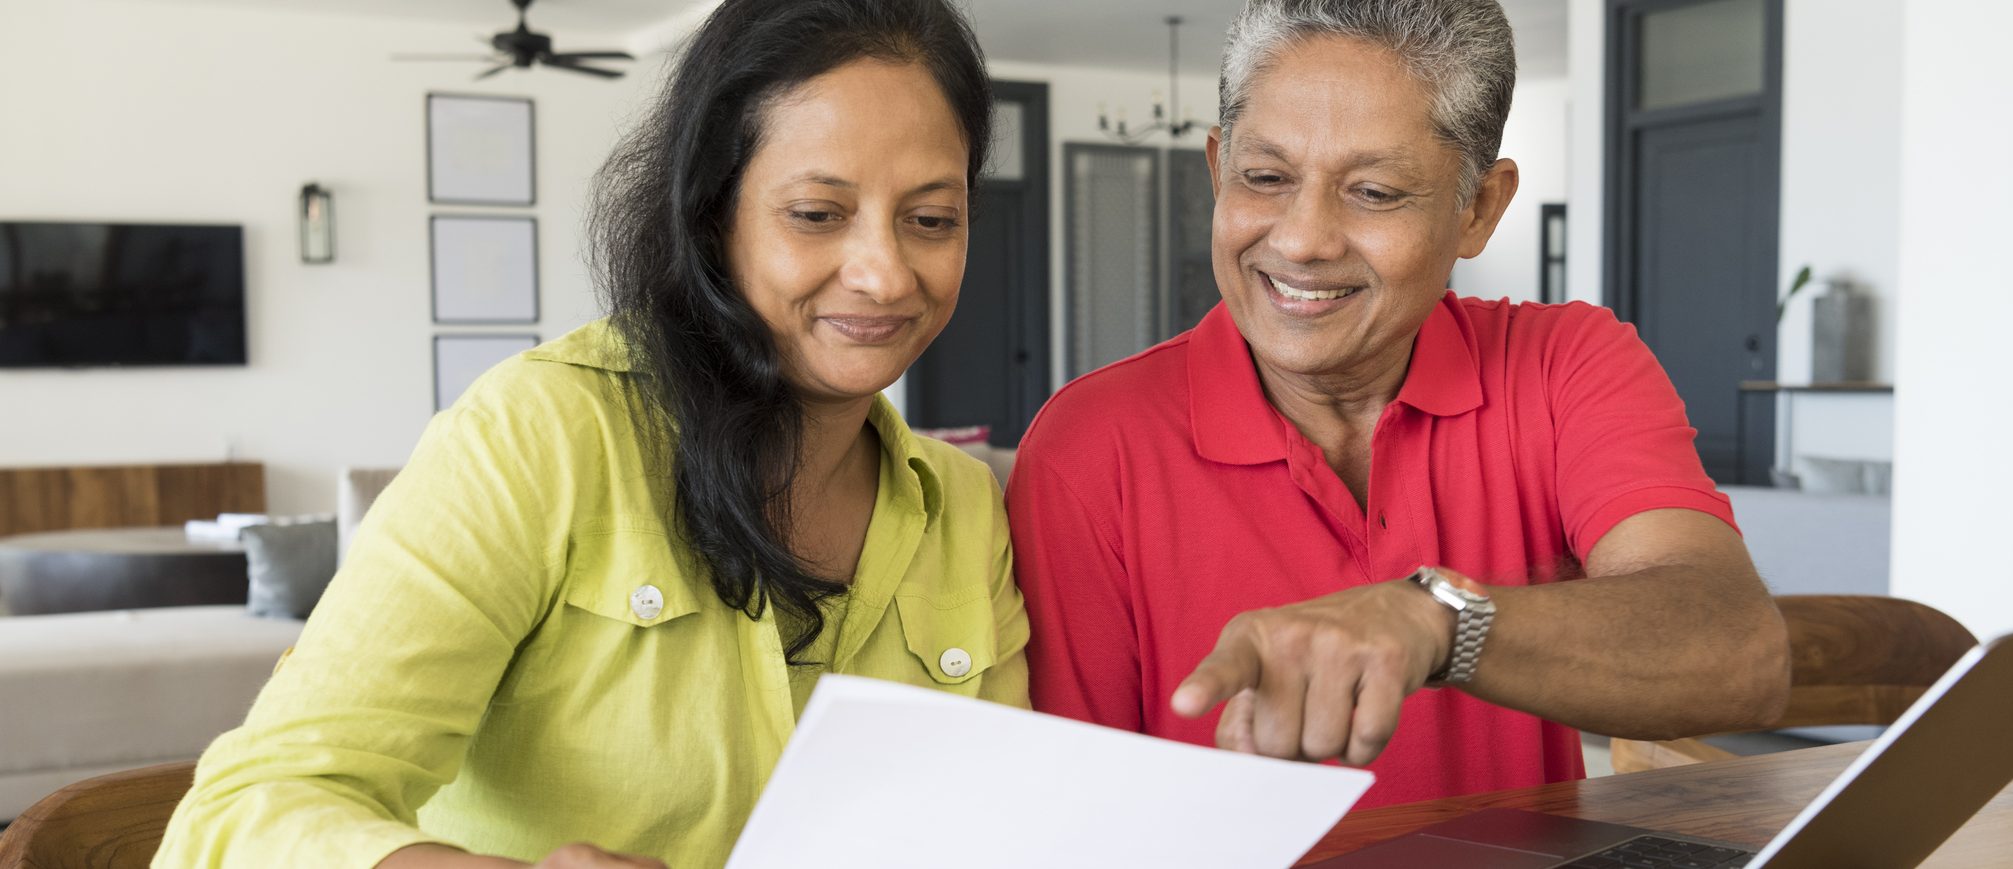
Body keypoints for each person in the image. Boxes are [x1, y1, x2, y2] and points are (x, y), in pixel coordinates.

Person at [154, 1, 1024, 865]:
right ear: (711, 218)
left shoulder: (966, 510)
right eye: (816, 214)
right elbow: (240, 818)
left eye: (932, 219)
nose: (884, 272)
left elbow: (1011, 826)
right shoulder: (541, 436)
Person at [1007, 0, 1789, 810]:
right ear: (1216, 169)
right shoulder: (1090, 444)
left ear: (1479, 208)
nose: (1303, 238)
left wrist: (1435, 621)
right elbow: (1072, 813)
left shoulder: (1566, 365)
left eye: (1374, 191)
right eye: (1265, 178)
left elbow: (1739, 654)